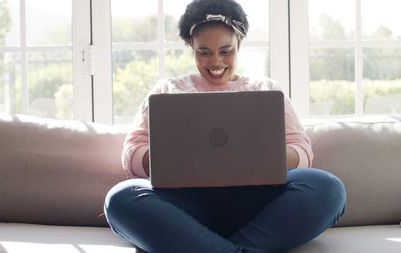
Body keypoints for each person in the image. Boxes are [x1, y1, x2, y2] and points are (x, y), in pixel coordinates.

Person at [104, 0, 346, 252]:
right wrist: (177, 160)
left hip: (257, 205)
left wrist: (260, 159)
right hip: (185, 208)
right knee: (120, 198)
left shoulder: (266, 89)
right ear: (192, 48)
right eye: (204, 52)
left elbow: (302, 152)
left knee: (328, 188)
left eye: (226, 50)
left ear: (239, 44)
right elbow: (132, 152)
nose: (215, 61)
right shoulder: (168, 90)